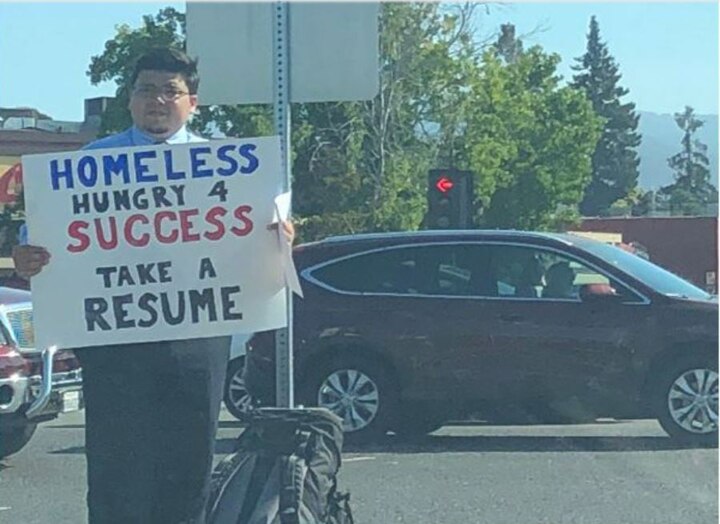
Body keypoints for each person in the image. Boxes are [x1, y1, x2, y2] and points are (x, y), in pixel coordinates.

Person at [12, 47, 294, 524]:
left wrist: (281, 237)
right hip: (115, 344)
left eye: (170, 91)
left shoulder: (228, 164)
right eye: (147, 90)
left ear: (193, 103)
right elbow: (36, 242)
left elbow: (269, 236)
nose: (157, 100)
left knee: (188, 470)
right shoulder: (91, 164)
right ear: (130, 98)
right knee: (116, 471)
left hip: (197, 342)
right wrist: (27, 256)